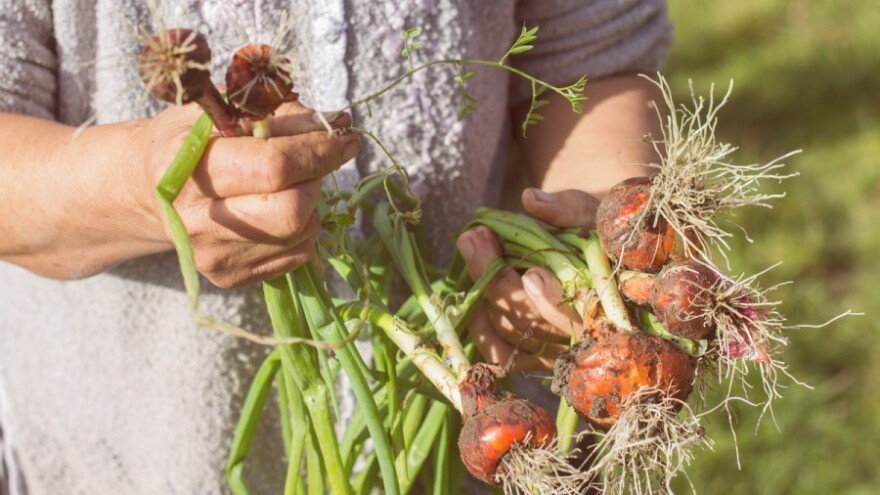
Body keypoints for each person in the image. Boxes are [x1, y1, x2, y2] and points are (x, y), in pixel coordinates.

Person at [0, 0, 671, 493]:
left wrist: (586, 234)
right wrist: (139, 189)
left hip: (495, 451)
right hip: (125, 458)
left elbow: (595, 59)